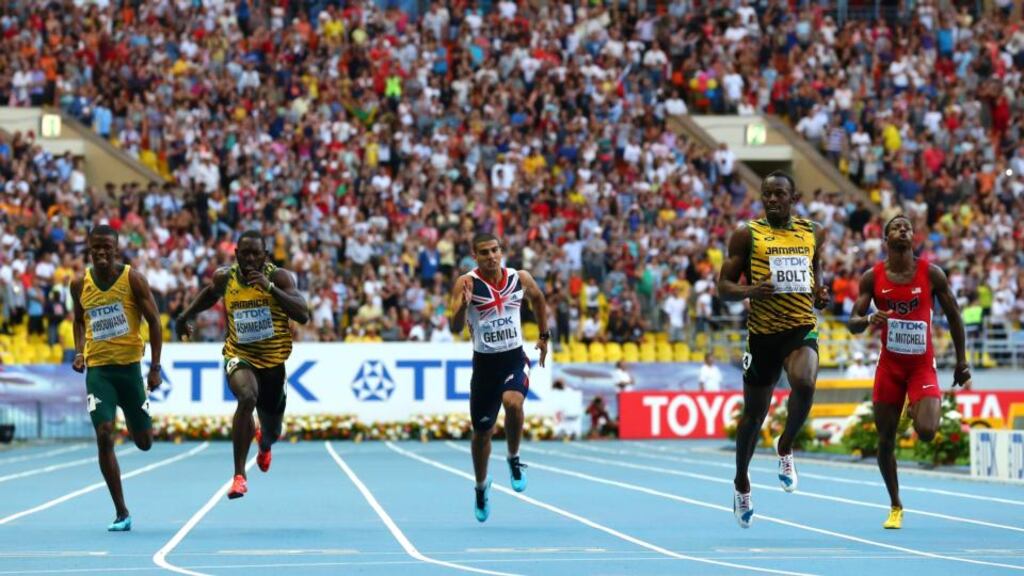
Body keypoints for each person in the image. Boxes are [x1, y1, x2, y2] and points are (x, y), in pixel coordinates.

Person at [718, 171, 830, 528]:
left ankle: (785, 447)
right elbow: (723, 286)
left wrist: (820, 290)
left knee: (806, 382)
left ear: (793, 197)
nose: (772, 200)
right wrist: (750, 291)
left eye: (779, 194)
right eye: (767, 194)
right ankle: (741, 483)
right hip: (763, 335)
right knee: (753, 417)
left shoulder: (812, 231)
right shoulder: (747, 235)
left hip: (799, 328)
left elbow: (815, 266)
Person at [848, 214, 970, 529]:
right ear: (886, 238)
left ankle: (911, 410)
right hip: (890, 366)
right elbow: (852, 323)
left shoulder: (932, 274)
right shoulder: (872, 278)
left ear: (913, 238)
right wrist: (868, 319)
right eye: (897, 227)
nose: (904, 230)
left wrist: (961, 361)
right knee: (885, 439)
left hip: (920, 365)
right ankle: (895, 505)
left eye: (908, 228)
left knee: (928, 430)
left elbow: (955, 316)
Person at [175, 230, 309, 499]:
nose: (249, 259)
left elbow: (303, 314)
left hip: (273, 362)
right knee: (246, 397)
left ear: (265, 256)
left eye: (255, 254)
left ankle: (264, 443)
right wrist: (185, 315)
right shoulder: (226, 277)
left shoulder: (278, 277)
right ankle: (239, 475)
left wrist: (269, 289)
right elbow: (211, 294)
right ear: (236, 255)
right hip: (239, 354)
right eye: (244, 254)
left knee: (273, 430)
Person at [450, 233, 548, 522]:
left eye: (495, 250)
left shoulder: (520, 278)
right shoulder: (465, 283)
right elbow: (454, 326)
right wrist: (464, 306)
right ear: (475, 256)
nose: (491, 256)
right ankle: (481, 487)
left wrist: (544, 336)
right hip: (484, 367)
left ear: (501, 251)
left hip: (514, 358)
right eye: (484, 252)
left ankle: (514, 458)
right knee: (482, 433)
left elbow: (539, 300)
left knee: (514, 402)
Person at [71, 225, 163, 531]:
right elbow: (78, 321)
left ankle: (136, 422)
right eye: (96, 247)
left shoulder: (133, 279)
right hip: (99, 373)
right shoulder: (79, 283)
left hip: (130, 372)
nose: (101, 252)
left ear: (116, 248)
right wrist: (79, 351)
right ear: (89, 247)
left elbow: (154, 322)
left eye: (106, 247)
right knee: (104, 433)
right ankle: (122, 511)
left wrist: (155, 367)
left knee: (145, 443)